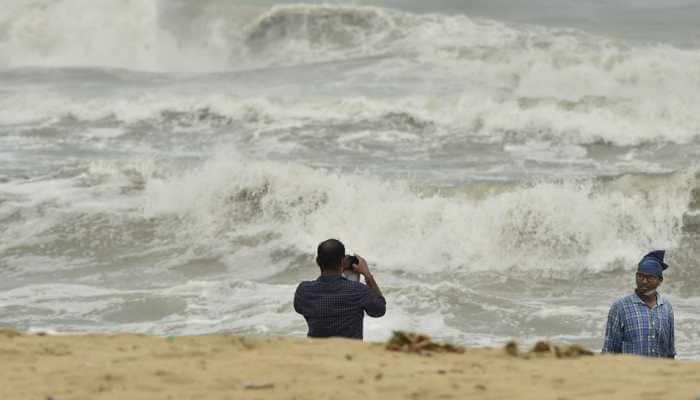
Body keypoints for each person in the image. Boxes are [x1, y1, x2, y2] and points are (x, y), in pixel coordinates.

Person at [294, 238, 386, 339]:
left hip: (317, 352)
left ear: (317, 261)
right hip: (349, 353)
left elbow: (299, 308)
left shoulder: (304, 290)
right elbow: (379, 310)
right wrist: (367, 275)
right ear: (342, 262)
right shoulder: (357, 290)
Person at [602, 250, 675, 358]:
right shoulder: (620, 307)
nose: (644, 281)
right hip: (631, 373)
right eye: (640, 276)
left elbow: (670, 351)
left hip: (659, 373)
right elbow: (609, 350)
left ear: (660, 280)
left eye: (649, 277)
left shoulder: (666, 307)